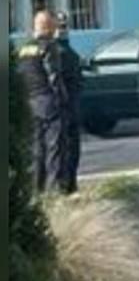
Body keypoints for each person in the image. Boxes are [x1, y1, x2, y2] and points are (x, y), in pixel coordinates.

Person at [15, 11, 76, 194]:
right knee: (55, 147)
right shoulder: (49, 47)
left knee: (37, 148)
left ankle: (37, 189)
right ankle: (55, 191)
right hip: (49, 102)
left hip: (30, 102)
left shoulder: (23, 49)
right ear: (50, 27)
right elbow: (54, 76)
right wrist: (63, 100)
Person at [55, 11, 84, 192]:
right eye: (60, 26)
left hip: (66, 107)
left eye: (64, 26)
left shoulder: (66, 51)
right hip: (63, 108)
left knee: (70, 148)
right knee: (65, 149)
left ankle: (69, 184)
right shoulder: (62, 52)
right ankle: (67, 185)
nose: (63, 30)